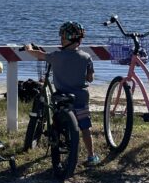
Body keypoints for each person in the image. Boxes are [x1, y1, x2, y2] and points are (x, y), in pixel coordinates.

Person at [25, 21, 100, 166]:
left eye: (62, 38)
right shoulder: (86, 57)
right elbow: (90, 78)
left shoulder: (56, 56)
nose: (60, 40)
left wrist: (28, 48)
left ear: (67, 39)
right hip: (81, 97)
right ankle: (91, 155)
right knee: (85, 127)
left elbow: (39, 55)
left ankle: (57, 141)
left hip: (62, 97)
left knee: (58, 122)